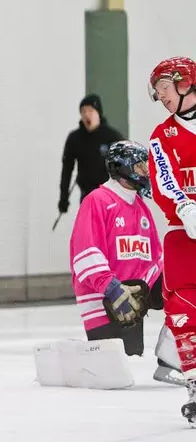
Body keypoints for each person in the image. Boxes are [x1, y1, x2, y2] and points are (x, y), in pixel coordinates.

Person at [69, 140, 182, 385]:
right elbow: (85, 252)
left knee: (185, 290)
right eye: (141, 166)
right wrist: (112, 287)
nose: (146, 173)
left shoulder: (141, 207)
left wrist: (172, 279)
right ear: (124, 167)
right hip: (104, 300)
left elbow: (155, 258)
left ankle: (172, 359)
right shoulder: (97, 201)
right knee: (115, 379)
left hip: (134, 298)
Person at [148, 56, 196, 425]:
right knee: (183, 306)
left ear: (186, 82)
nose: (161, 96)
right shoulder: (163, 136)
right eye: (158, 92)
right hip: (183, 233)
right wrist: (185, 208)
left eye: (165, 87)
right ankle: (195, 383)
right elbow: (164, 178)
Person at [58, 94, 124, 215]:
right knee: (90, 230)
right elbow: (67, 169)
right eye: (83, 111)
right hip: (87, 194)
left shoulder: (112, 137)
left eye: (90, 110)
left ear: (98, 113)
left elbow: (126, 166)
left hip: (110, 194)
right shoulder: (75, 138)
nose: (87, 114)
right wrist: (64, 197)